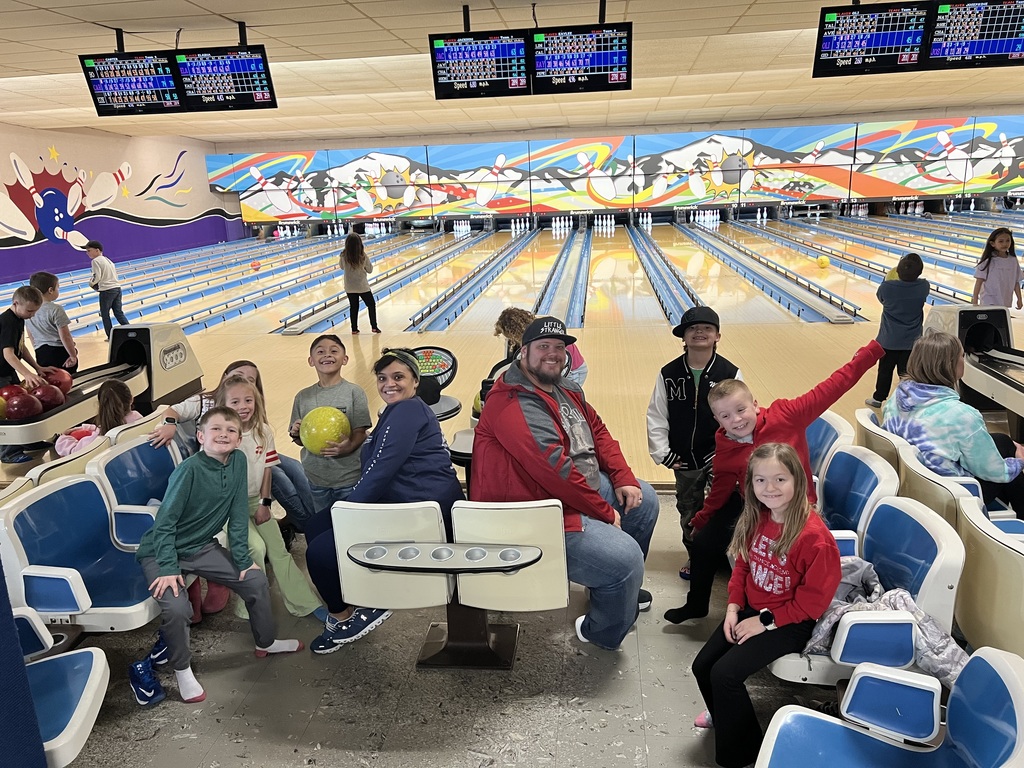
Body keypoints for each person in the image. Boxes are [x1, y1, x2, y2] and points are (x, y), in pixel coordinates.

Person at [471, 316, 660, 651]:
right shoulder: (512, 403)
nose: (553, 354)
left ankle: (611, 590)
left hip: (573, 491)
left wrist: (622, 476)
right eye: (543, 347)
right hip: (534, 510)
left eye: (559, 347)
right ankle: (600, 629)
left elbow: (597, 431)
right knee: (626, 560)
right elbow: (554, 471)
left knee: (644, 499)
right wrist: (603, 511)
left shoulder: (566, 387)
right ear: (524, 351)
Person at [664, 339, 882, 625]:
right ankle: (696, 605)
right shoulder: (725, 443)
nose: (736, 420)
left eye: (741, 410)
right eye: (726, 416)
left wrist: (874, 351)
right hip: (752, 500)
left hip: (791, 504)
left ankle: (769, 613)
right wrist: (703, 517)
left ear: (755, 404)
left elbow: (835, 384)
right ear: (718, 420)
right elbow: (721, 487)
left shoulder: (787, 415)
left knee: (763, 548)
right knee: (704, 543)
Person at [130, 407, 303, 706]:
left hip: (201, 546)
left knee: (255, 581)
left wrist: (241, 558)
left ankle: (266, 642)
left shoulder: (238, 461)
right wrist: (169, 568)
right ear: (200, 437)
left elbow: (238, 514)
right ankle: (182, 670)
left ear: (238, 439)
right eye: (216, 429)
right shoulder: (188, 471)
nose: (224, 434)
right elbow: (165, 524)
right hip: (162, 550)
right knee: (177, 607)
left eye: (231, 430)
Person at [304, 348, 463, 653]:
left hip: (424, 514)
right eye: (382, 378)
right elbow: (379, 456)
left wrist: (350, 510)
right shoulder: (398, 410)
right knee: (316, 524)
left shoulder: (408, 411)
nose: (389, 383)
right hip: (405, 503)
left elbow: (379, 470)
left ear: (415, 381)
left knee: (320, 554)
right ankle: (356, 595)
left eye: (398, 377)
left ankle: (358, 610)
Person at [691, 443, 841, 768]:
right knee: (702, 666)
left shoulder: (815, 538)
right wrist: (732, 608)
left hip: (789, 622)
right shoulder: (758, 516)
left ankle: (746, 753)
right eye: (760, 480)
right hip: (750, 610)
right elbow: (743, 566)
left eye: (779, 480)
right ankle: (726, 716)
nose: (769, 488)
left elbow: (812, 603)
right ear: (750, 484)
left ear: (797, 481)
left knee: (725, 675)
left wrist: (763, 622)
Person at [212, 375, 327, 621]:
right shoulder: (219, 435)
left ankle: (305, 603)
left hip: (255, 500)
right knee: (255, 547)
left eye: (248, 400)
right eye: (235, 402)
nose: (243, 406)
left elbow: (266, 469)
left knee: (279, 551)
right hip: (226, 506)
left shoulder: (262, 431)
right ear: (223, 404)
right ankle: (252, 607)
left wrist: (266, 503)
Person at [883, 331, 1024, 517]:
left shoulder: (899, 395)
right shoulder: (961, 416)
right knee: (1011, 466)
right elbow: (994, 472)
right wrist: (1019, 462)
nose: (963, 360)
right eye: (961, 356)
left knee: (1002, 441)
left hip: (915, 481)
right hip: (951, 495)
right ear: (950, 366)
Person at [647, 305, 740, 581]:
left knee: (723, 507)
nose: (700, 332)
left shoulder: (729, 372)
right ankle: (696, 555)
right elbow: (657, 414)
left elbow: (740, 416)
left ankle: (724, 555)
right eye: (692, 328)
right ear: (684, 338)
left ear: (718, 336)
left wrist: (732, 452)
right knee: (689, 509)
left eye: (707, 328)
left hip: (719, 458)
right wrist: (663, 454)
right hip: (683, 459)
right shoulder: (669, 373)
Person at [289, 335, 372, 515]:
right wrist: (297, 434)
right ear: (311, 360)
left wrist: (348, 446)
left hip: (349, 475)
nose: (327, 355)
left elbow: (360, 430)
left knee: (351, 520)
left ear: (345, 359)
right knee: (325, 521)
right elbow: (301, 440)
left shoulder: (354, 392)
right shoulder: (303, 397)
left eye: (334, 351)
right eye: (320, 352)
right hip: (316, 477)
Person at [0, 286, 58, 463]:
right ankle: (7, 453)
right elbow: (8, 353)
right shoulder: (8, 321)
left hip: (7, 370)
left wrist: (37, 368)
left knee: (23, 405)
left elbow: (20, 347)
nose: (32, 315)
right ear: (16, 304)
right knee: (8, 412)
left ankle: (27, 442)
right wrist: (27, 374)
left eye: (35, 311)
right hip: (1, 373)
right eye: (30, 311)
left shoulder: (18, 318)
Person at [865, 253, 930, 408]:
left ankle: (878, 398)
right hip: (911, 342)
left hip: (889, 340)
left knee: (885, 371)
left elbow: (881, 298)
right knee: (907, 374)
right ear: (919, 272)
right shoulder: (923, 286)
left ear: (897, 272)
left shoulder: (886, 288)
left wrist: (889, 278)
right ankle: (906, 402)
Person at [492, 306, 588, 385]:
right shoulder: (536, 328)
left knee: (565, 400)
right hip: (563, 366)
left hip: (575, 371)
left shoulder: (538, 337)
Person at [55, 379, 142, 456]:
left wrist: (63, 437)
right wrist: (87, 428)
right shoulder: (140, 420)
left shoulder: (99, 439)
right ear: (131, 399)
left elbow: (72, 451)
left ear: (101, 405)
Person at [26, 271, 78, 372]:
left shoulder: (29, 309)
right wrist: (73, 355)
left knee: (48, 382)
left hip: (41, 352)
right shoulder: (56, 309)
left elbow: (30, 334)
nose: (58, 290)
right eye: (58, 287)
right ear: (50, 290)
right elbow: (65, 336)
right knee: (66, 381)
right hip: (59, 352)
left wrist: (37, 349)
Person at [85, 240, 130, 340]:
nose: (87, 253)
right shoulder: (108, 260)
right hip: (117, 288)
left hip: (107, 290)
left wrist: (91, 283)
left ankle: (111, 336)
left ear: (97, 250)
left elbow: (96, 277)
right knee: (118, 312)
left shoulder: (95, 261)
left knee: (105, 315)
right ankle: (131, 330)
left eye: (89, 250)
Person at [971, 227, 1022, 309]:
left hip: (1004, 299)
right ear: (992, 244)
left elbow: (1016, 281)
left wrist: (1019, 298)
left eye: (1008, 241)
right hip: (989, 300)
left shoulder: (1013, 260)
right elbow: (979, 281)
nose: (1005, 244)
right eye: (1001, 241)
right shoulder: (988, 261)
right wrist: (975, 300)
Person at [340, 233, 380, 334]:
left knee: (354, 307)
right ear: (359, 244)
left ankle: (354, 329)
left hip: (349, 287)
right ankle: (374, 327)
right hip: (362, 286)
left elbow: (341, 267)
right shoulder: (363, 255)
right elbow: (370, 270)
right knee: (371, 305)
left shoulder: (344, 255)